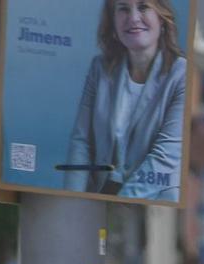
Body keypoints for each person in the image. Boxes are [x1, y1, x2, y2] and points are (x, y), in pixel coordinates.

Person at [63, 0, 187, 200]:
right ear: (112, 21)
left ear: (162, 18)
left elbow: (165, 157)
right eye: (123, 9)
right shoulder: (100, 68)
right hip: (101, 193)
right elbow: (81, 141)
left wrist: (121, 201)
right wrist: (72, 199)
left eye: (144, 7)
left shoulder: (181, 74)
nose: (133, 18)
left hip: (152, 199)